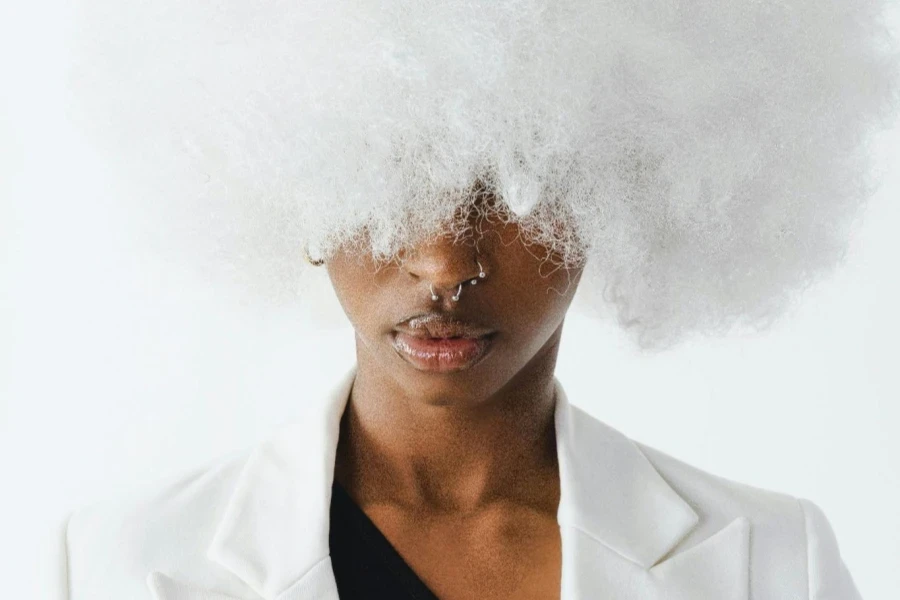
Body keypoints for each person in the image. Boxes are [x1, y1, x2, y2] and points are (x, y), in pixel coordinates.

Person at [63, 0, 898, 598]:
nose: (443, 259)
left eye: (514, 187)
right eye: (393, 177)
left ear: (623, 192)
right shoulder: (122, 564)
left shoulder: (774, 564)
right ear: (300, 185)